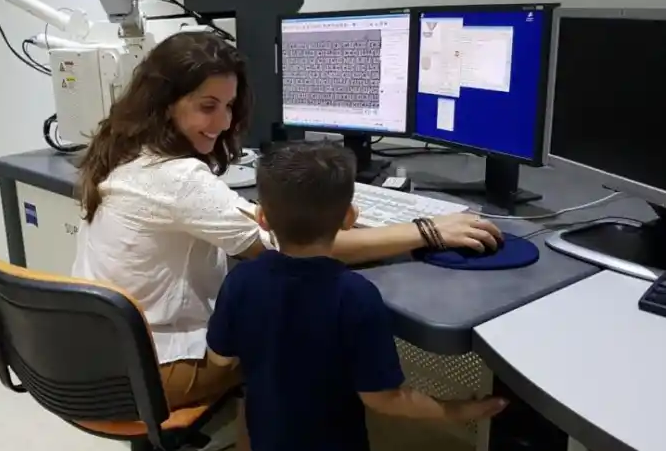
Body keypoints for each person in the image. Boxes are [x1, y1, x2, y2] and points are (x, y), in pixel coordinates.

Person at [72, 31, 502, 412]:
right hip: (147, 370)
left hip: (95, 355)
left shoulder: (123, 150)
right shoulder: (176, 177)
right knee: (299, 334)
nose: (223, 123)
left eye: (228, 107)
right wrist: (428, 229)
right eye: (208, 106)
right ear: (166, 105)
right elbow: (297, 245)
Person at [206, 142, 508, 451]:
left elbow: (221, 358)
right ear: (349, 218)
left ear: (262, 218)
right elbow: (384, 398)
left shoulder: (240, 281)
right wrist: (455, 410)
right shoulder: (356, 296)